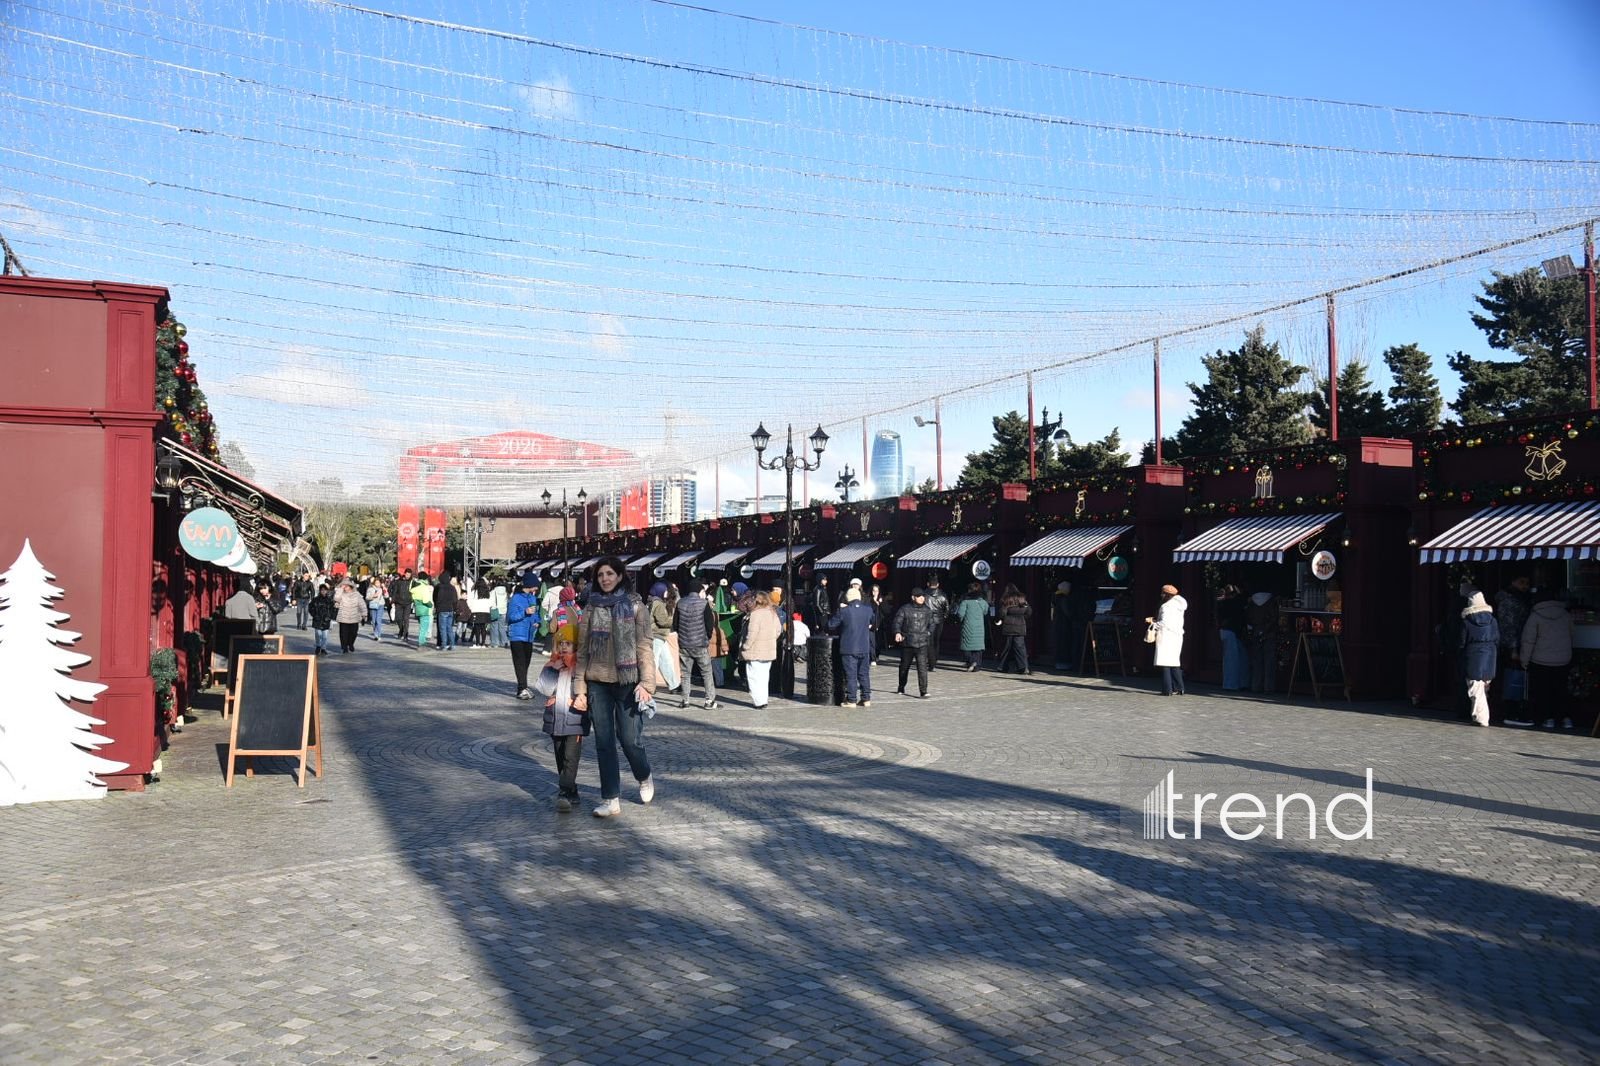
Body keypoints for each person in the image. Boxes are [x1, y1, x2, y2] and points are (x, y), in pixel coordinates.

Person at [572, 556, 657, 818]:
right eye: (600, 575)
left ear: (620, 576)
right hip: (597, 681)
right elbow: (582, 650)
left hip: (628, 682)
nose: (605, 579)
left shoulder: (636, 607)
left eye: (609, 574)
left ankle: (643, 775)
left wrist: (647, 683)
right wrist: (580, 688)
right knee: (604, 742)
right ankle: (611, 799)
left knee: (630, 740)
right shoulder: (590, 608)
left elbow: (644, 646)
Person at [535, 624, 590, 813]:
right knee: (559, 755)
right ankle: (571, 789)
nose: (564, 647)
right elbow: (543, 688)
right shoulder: (553, 664)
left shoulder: (581, 667)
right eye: (561, 643)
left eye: (569, 643)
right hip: (555, 717)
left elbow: (587, 690)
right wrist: (553, 670)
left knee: (570, 757)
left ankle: (564, 792)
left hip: (575, 718)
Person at [1518, 589, 1574, 730]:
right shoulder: (1565, 614)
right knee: (1561, 689)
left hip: (1540, 659)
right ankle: (1565, 718)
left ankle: (1548, 718)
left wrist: (1524, 660)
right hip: (1563, 659)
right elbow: (1572, 634)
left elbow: (1528, 641)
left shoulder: (1535, 616)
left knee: (1543, 691)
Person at [673, 579, 720, 709]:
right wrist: (706, 637)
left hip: (684, 644)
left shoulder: (680, 603)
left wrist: (682, 636)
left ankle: (685, 700)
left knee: (685, 673)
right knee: (706, 673)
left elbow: (675, 624)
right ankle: (709, 701)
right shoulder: (704, 604)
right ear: (699, 590)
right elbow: (709, 624)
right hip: (700, 644)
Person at [829, 586, 876, 706]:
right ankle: (866, 698)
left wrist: (840, 610)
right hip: (864, 647)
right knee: (864, 674)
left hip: (849, 647)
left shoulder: (844, 611)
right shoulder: (868, 610)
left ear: (848, 598)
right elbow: (874, 622)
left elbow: (831, 625)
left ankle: (851, 700)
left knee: (851, 675)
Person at [1460, 590, 1499, 726]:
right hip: (1490, 655)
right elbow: (1497, 638)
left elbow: (1462, 641)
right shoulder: (1493, 620)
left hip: (1473, 655)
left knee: (1475, 688)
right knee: (1483, 687)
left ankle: (1481, 718)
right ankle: (1478, 715)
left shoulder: (1467, 622)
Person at [741, 590, 783, 708]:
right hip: (768, 649)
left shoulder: (755, 614)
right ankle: (763, 700)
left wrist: (746, 646)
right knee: (764, 677)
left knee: (754, 677)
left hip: (755, 650)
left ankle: (758, 701)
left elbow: (752, 633)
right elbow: (778, 630)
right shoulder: (772, 612)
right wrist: (771, 639)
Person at [893, 587, 934, 697]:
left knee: (922, 668)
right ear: (913, 597)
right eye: (919, 596)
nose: (921, 598)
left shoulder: (927, 610)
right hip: (908, 643)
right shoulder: (905, 609)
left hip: (922, 643)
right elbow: (897, 622)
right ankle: (901, 686)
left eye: (923, 596)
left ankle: (923, 691)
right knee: (904, 667)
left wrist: (928, 632)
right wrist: (897, 632)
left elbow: (932, 624)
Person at [1147, 584, 1187, 696]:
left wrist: (1154, 623)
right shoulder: (1179, 604)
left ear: (1167, 595)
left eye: (1163, 593)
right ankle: (1179, 688)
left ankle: (1167, 690)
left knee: (1164, 662)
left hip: (1166, 635)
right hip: (1177, 635)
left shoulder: (1167, 606)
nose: (1161, 595)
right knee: (1174, 662)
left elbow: (1164, 623)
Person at [507, 570, 542, 699]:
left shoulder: (532, 598)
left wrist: (537, 621)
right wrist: (524, 612)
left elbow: (535, 614)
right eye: (535, 584)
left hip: (529, 635)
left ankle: (523, 687)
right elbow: (510, 617)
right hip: (517, 635)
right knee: (520, 663)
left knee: (526, 663)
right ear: (529, 584)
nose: (537, 587)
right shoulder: (516, 598)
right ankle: (521, 689)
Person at [1216, 585, 1249, 692]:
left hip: (1228, 631)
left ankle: (1237, 683)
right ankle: (1231, 684)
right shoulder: (1233, 603)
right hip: (1232, 631)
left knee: (1234, 658)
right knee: (1233, 659)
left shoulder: (1223, 602)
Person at [1245, 589, 1279, 693]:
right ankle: (1268, 687)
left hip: (1256, 632)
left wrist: (1253, 630)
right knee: (1269, 661)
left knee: (1256, 661)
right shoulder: (1271, 601)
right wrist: (1266, 629)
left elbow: (1248, 618)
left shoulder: (1252, 602)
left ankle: (1256, 685)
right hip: (1269, 634)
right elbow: (1274, 618)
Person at [995, 585, 1032, 675]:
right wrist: (1022, 618)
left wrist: (1002, 618)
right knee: (1020, 648)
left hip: (1008, 627)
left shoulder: (1006, 599)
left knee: (1006, 648)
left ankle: (1003, 667)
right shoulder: (1022, 599)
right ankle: (1023, 667)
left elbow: (1002, 613)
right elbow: (1029, 612)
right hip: (1020, 627)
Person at [955, 582, 988, 672]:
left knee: (967, 647)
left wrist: (960, 620)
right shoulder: (983, 602)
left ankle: (971, 661)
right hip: (979, 627)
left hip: (967, 626)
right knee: (978, 648)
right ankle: (977, 666)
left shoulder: (965, 602)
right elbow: (985, 612)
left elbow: (960, 614)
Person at [923, 575, 950, 669]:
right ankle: (935, 658)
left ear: (928, 584)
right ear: (938, 584)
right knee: (937, 641)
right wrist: (944, 617)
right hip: (939, 620)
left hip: (927, 620)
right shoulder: (942, 595)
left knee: (929, 641)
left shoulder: (924, 595)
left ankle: (930, 660)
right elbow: (947, 608)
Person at [333, 579, 365, 653]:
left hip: (354, 617)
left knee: (354, 633)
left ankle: (350, 644)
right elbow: (336, 598)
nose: (345, 587)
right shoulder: (341, 594)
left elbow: (362, 604)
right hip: (343, 617)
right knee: (343, 633)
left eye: (346, 586)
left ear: (351, 587)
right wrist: (340, 589)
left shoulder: (357, 594)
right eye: (344, 586)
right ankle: (344, 647)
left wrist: (364, 614)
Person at [1050, 581, 1073, 671]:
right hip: (1063, 624)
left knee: (1059, 643)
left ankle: (1059, 662)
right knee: (1064, 643)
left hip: (1057, 623)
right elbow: (1068, 613)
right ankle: (1064, 663)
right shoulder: (1064, 599)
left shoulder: (1056, 597)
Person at [434, 570, 459, 651]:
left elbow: (436, 599)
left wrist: (437, 607)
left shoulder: (439, 587)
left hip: (442, 609)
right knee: (449, 628)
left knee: (442, 628)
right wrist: (454, 608)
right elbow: (455, 600)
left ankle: (444, 645)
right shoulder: (452, 587)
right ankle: (452, 644)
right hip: (450, 609)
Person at [308, 583, 335, 655]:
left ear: (327, 591)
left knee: (325, 636)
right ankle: (318, 646)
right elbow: (310, 608)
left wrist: (330, 616)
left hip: (326, 620)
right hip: (317, 619)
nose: (323, 591)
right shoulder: (315, 599)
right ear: (320, 591)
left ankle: (323, 648)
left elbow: (333, 609)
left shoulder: (329, 600)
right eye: (322, 590)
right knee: (318, 634)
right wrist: (314, 615)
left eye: (325, 590)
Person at [389, 569, 413, 645]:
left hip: (408, 603)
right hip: (398, 602)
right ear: (404, 573)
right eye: (407, 574)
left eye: (409, 575)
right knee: (398, 618)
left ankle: (405, 634)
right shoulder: (399, 581)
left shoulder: (412, 582)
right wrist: (392, 601)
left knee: (406, 619)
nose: (408, 576)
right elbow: (394, 592)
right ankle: (401, 630)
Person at [411, 572, 435, 649]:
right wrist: (431, 605)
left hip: (418, 609)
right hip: (425, 610)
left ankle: (423, 641)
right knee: (424, 628)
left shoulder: (415, 587)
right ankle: (421, 643)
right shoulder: (424, 587)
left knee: (421, 627)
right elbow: (425, 600)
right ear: (426, 578)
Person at [467, 579, 492, 648]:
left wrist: (471, 608)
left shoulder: (474, 591)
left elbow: (469, 601)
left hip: (476, 611)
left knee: (477, 627)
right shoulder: (487, 592)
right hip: (485, 611)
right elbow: (490, 602)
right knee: (483, 627)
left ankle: (477, 643)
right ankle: (483, 643)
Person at [488, 576, 509, 649]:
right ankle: (504, 642)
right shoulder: (506, 592)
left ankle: (495, 643)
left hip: (495, 611)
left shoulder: (493, 592)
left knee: (494, 627)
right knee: (502, 627)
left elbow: (491, 602)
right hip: (503, 611)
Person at [365, 578, 387, 642]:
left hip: (380, 605)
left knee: (378, 620)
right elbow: (367, 597)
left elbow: (386, 596)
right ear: (374, 583)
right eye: (376, 583)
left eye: (379, 583)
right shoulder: (370, 589)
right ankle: (375, 634)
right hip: (373, 605)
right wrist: (373, 596)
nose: (378, 584)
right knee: (374, 621)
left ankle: (378, 635)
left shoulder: (382, 589)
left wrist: (384, 589)